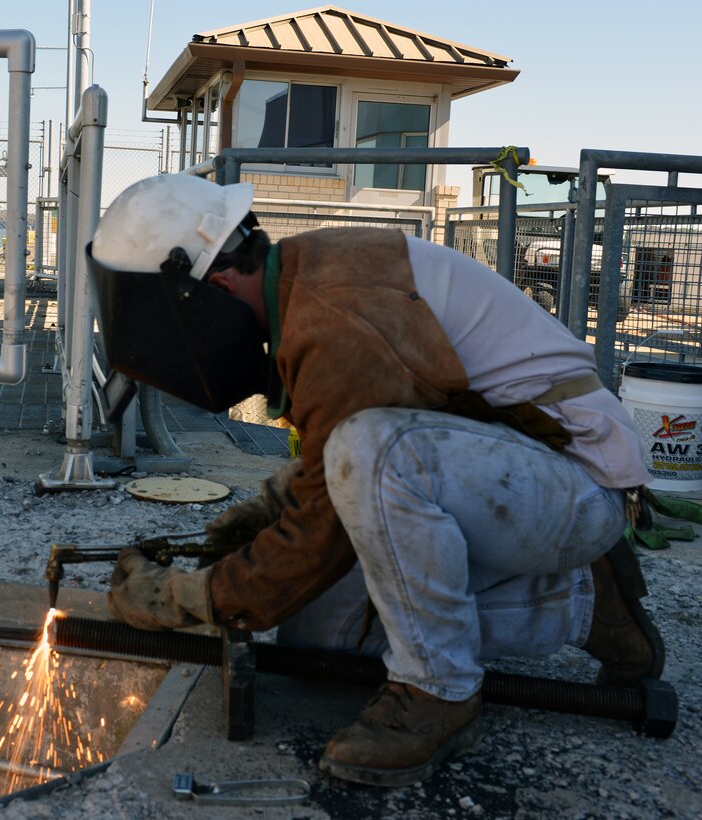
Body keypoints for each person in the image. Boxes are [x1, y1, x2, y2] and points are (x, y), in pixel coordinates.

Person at [85, 174, 665, 787]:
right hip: (508, 476)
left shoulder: (332, 315)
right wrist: (269, 509)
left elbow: (345, 492)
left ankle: (441, 691)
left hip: (576, 486)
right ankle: (584, 607)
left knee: (372, 450)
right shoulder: (305, 284)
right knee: (320, 646)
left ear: (214, 289)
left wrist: (194, 597)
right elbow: (346, 452)